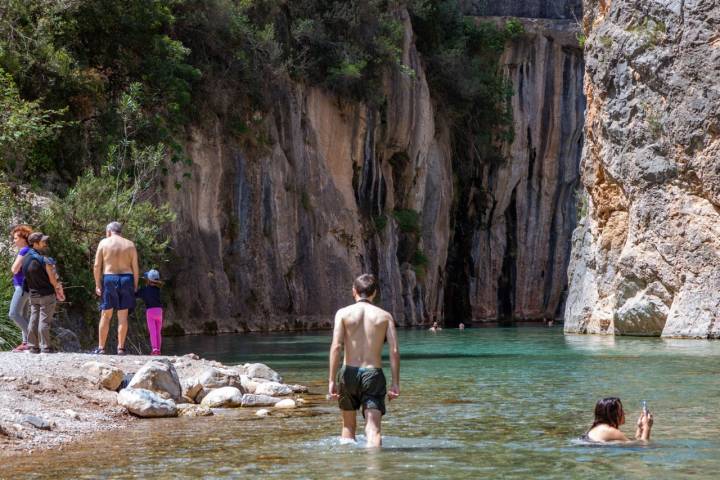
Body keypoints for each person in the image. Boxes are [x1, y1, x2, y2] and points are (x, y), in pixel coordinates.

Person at [328, 274, 400, 448]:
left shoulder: (343, 313)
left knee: (348, 427)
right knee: (373, 430)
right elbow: (394, 351)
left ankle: (348, 470)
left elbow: (336, 347)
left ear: (354, 291)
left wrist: (331, 380)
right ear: (374, 293)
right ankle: (373, 471)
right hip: (373, 374)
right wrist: (395, 383)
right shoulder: (385, 316)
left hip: (348, 373)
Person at [92, 221, 139, 355]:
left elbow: (96, 265)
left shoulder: (104, 243)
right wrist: (135, 285)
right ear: (120, 232)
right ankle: (121, 348)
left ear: (108, 232)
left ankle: (101, 348)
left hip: (109, 278)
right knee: (123, 316)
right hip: (127, 279)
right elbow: (135, 267)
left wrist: (97, 283)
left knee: (106, 315)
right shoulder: (130, 244)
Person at [22, 232, 65, 353]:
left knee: (33, 319)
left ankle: (32, 346)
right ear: (35, 243)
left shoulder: (24, 259)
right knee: (44, 320)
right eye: (43, 241)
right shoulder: (44, 260)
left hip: (33, 294)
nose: (45, 243)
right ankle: (46, 346)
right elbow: (53, 279)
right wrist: (58, 289)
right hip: (46, 295)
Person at [585, 397, 653, 442]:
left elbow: (635, 443)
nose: (624, 413)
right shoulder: (609, 431)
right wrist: (647, 427)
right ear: (612, 414)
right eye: (621, 410)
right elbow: (643, 447)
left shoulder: (599, 428)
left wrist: (640, 428)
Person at [8, 225, 32, 352]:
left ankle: (33, 339)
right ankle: (26, 343)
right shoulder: (30, 250)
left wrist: (13, 267)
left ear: (24, 238)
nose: (14, 240)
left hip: (22, 287)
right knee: (23, 315)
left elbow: (14, 269)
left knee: (13, 313)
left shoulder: (24, 251)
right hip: (26, 287)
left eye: (16, 238)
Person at [135, 269, 164, 356]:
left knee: (153, 332)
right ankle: (158, 349)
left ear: (148, 280)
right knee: (158, 331)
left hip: (150, 311)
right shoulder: (158, 290)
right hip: (159, 311)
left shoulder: (145, 289)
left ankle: (154, 349)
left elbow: (135, 295)